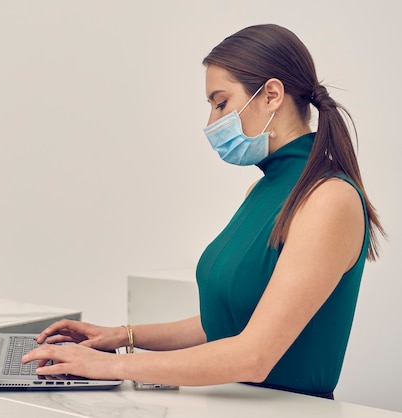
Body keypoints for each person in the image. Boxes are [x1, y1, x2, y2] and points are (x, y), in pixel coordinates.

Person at [21, 24, 385, 399]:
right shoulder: (262, 190)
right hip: (235, 404)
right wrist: (121, 336)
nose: (212, 123)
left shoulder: (329, 199)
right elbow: (225, 324)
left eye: (221, 103)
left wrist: (112, 366)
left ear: (272, 95)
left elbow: (255, 355)